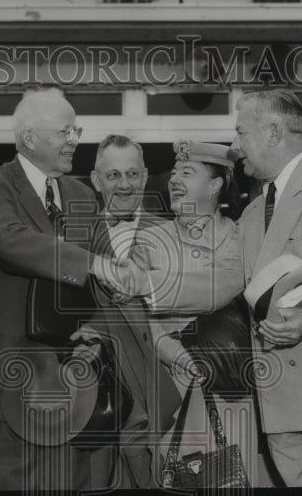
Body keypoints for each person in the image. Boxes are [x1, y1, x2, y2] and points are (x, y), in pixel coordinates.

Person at [113, 90, 302, 486]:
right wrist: (145, 285)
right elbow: (226, 280)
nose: (236, 146)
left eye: (241, 133)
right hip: (286, 413)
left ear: (273, 132)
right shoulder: (254, 213)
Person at [0, 88, 126, 490]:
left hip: (71, 389)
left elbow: (106, 275)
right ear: (29, 138)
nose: (74, 140)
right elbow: (10, 239)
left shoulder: (83, 195)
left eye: (76, 130)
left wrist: (108, 308)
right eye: (65, 131)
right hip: (4, 388)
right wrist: (92, 263)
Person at [132, 140, 276, 486]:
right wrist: (175, 353)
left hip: (233, 387)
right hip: (170, 389)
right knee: (179, 478)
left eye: (188, 172)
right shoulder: (149, 241)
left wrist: (142, 284)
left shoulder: (242, 238)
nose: (174, 180)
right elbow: (134, 319)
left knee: (237, 479)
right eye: (174, 172)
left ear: (215, 185)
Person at [86, 134, 181, 487]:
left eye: (132, 175)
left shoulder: (173, 235)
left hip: (164, 393)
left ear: (144, 177)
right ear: (96, 180)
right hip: (102, 401)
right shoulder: (71, 236)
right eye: (113, 176)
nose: (124, 185)